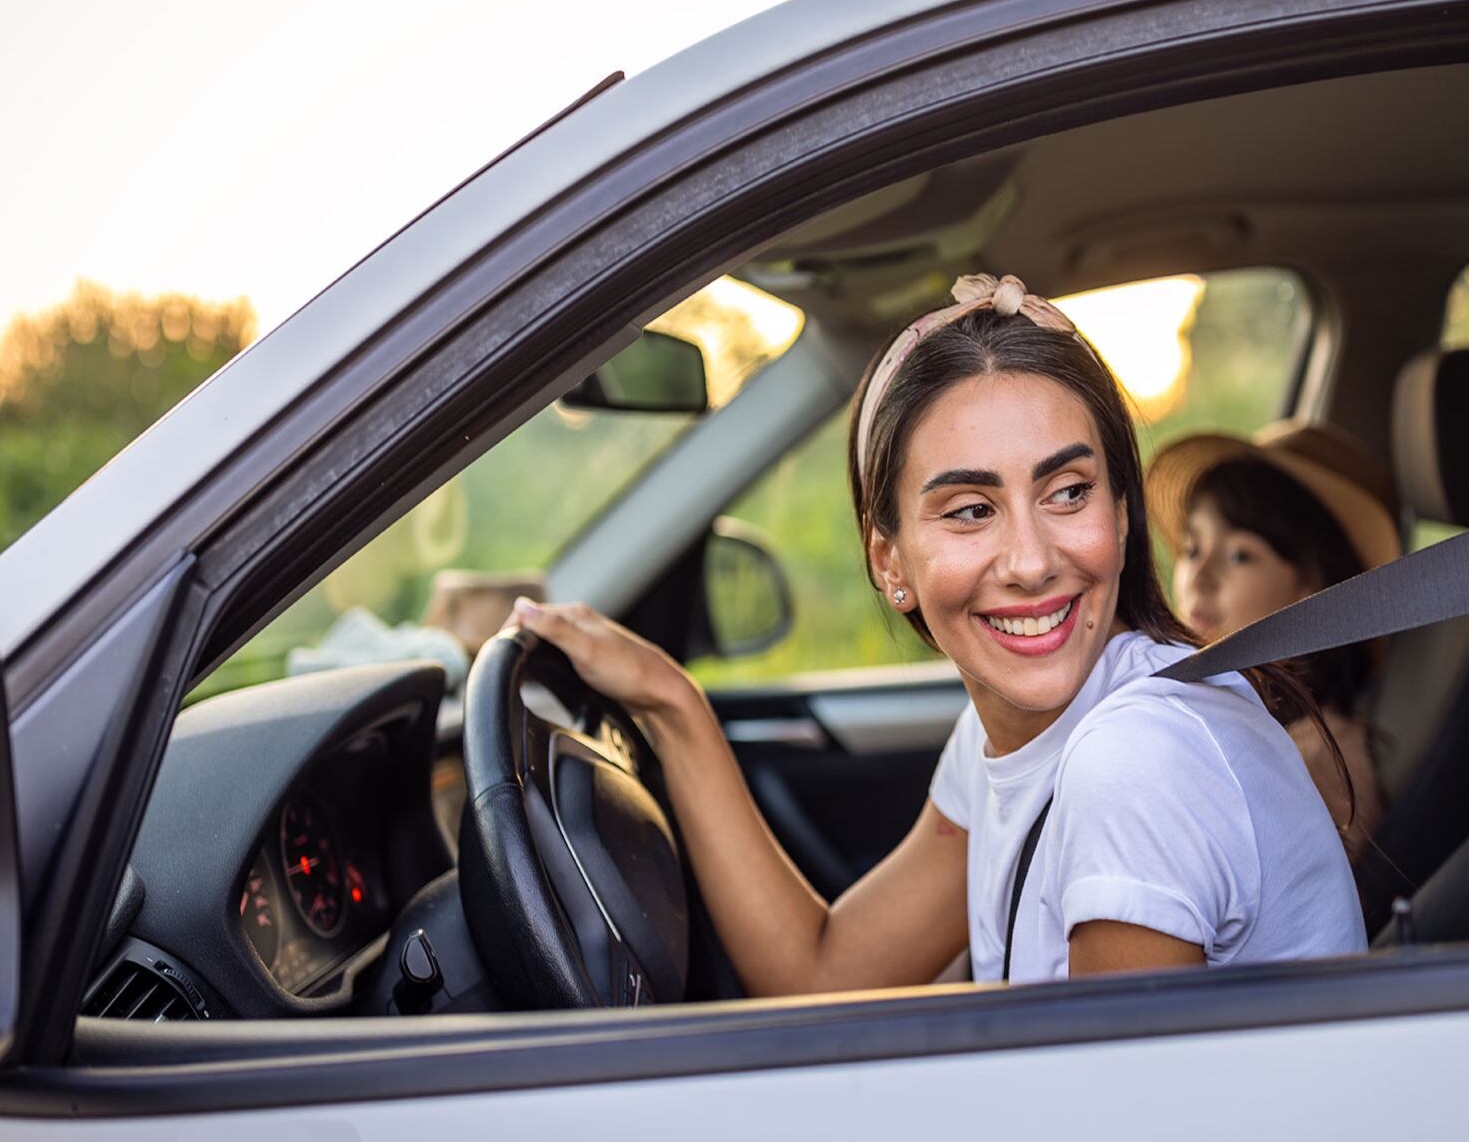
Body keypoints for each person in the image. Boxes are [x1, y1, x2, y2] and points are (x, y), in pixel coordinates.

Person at [512, 274, 1362, 994]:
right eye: (969, 510)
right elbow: (824, 973)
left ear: (1122, 516)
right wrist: (670, 702)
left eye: (1067, 492)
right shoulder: (1009, 731)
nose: (1030, 561)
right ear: (891, 563)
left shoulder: (1136, 759)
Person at [1145, 421, 1402, 861]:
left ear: (1312, 586)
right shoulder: (1216, 707)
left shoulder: (1321, 763)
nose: (1199, 578)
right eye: (1191, 549)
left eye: (1239, 555)